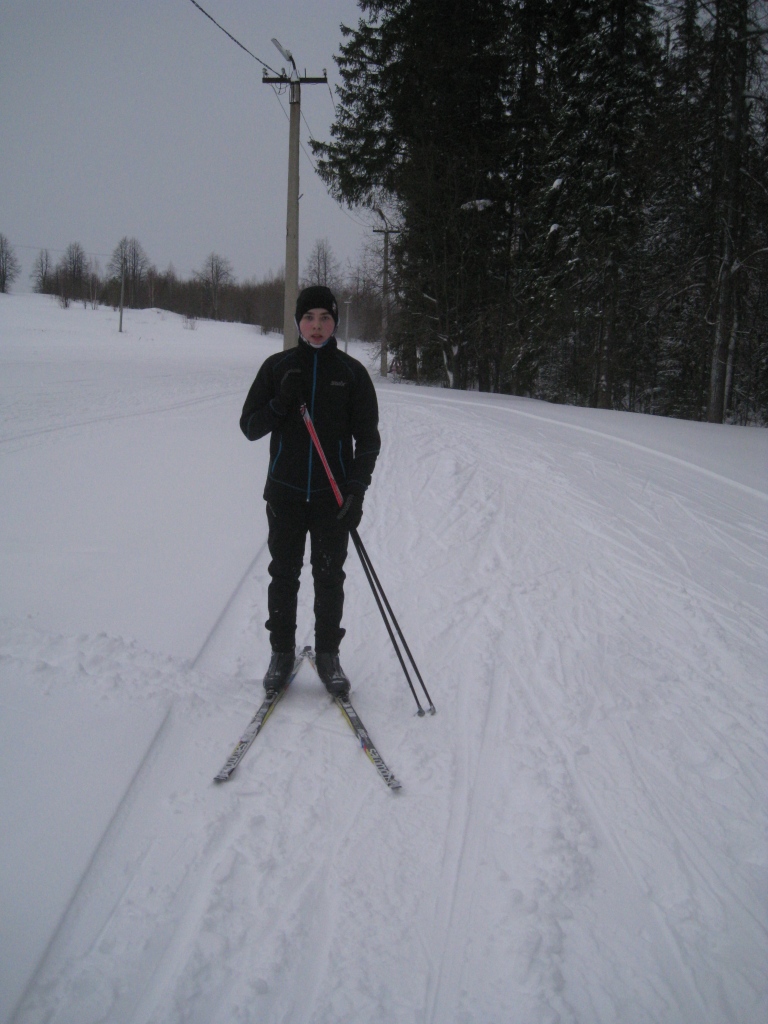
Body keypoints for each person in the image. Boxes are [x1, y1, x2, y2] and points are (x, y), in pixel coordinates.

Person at [240, 285, 380, 698]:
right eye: (308, 318)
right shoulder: (277, 367)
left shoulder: (351, 373)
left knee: (328, 577)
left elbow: (368, 440)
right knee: (283, 575)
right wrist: (281, 402)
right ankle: (281, 653)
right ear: (298, 322)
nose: (316, 327)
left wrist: (356, 489)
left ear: (335, 322)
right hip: (284, 494)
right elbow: (250, 427)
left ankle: (328, 655)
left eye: (324, 318)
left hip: (331, 499)